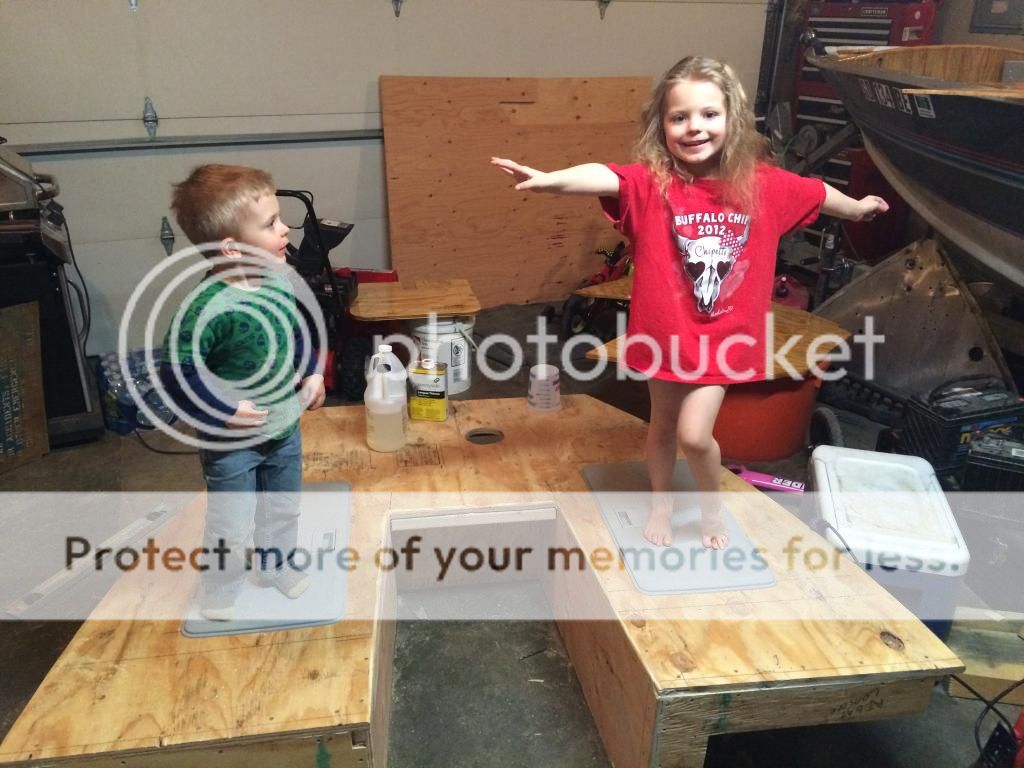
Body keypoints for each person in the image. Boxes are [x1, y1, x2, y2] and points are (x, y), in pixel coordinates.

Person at [492, 56, 887, 549]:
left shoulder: (762, 184)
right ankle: (662, 502)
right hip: (664, 335)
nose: (694, 127)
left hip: (722, 340)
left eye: (708, 114)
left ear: (732, 119)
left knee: (695, 435)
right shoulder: (652, 183)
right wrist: (549, 179)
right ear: (661, 126)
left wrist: (858, 208)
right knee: (661, 426)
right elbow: (604, 176)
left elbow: (817, 192)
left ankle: (711, 510)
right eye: (679, 117)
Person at [159, 164, 326, 620]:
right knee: (230, 523)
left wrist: (311, 373)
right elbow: (176, 373)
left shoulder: (278, 281)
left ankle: (275, 566)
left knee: (282, 509)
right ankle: (220, 585)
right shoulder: (204, 309)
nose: (285, 229)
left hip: (284, 429)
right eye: (270, 224)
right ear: (232, 248)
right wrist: (222, 411)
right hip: (232, 444)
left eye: (280, 218)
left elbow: (295, 333)